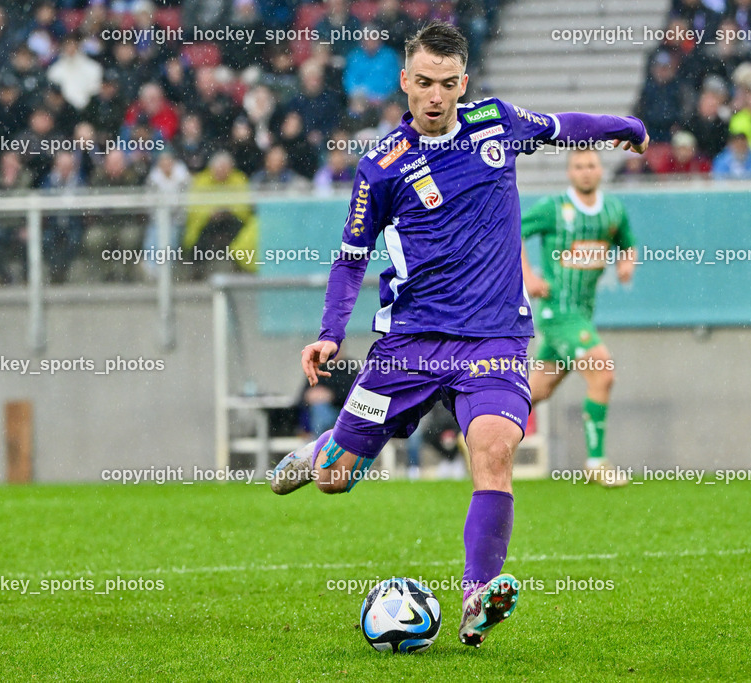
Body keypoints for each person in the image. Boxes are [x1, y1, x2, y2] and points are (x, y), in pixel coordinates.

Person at [269, 22, 648, 647]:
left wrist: (623, 128)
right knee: (339, 476)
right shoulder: (381, 166)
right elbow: (350, 257)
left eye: (447, 85)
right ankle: (319, 455)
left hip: (495, 338)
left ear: (463, 83)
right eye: (423, 83)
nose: (435, 97)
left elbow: (561, 125)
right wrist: (330, 332)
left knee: (495, 452)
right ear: (405, 82)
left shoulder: (495, 123)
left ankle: (477, 596)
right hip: (407, 345)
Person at [520, 149, 636, 488]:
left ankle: (480, 431)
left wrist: (627, 262)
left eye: (591, 165)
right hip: (558, 314)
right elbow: (513, 233)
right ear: (570, 172)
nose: (586, 171)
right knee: (603, 373)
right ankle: (597, 462)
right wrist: (526, 276)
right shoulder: (553, 208)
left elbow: (628, 243)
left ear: (601, 170)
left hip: (583, 315)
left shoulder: (613, 210)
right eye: (579, 166)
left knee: (534, 391)